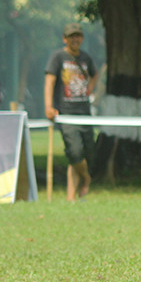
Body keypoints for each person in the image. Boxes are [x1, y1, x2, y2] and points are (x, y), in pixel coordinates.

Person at [44, 22, 98, 202]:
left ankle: (70, 198)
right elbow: (49, 81)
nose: (75, 39)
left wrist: (90, 88)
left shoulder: (85, 57)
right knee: (74, 152)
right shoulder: (58, 57)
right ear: (64, 39)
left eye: (78, 36)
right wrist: (48, 106)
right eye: (71, 36)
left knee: (86, 153)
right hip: (66, 114)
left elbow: (95, 74)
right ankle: (86, 178)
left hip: (85, 113)